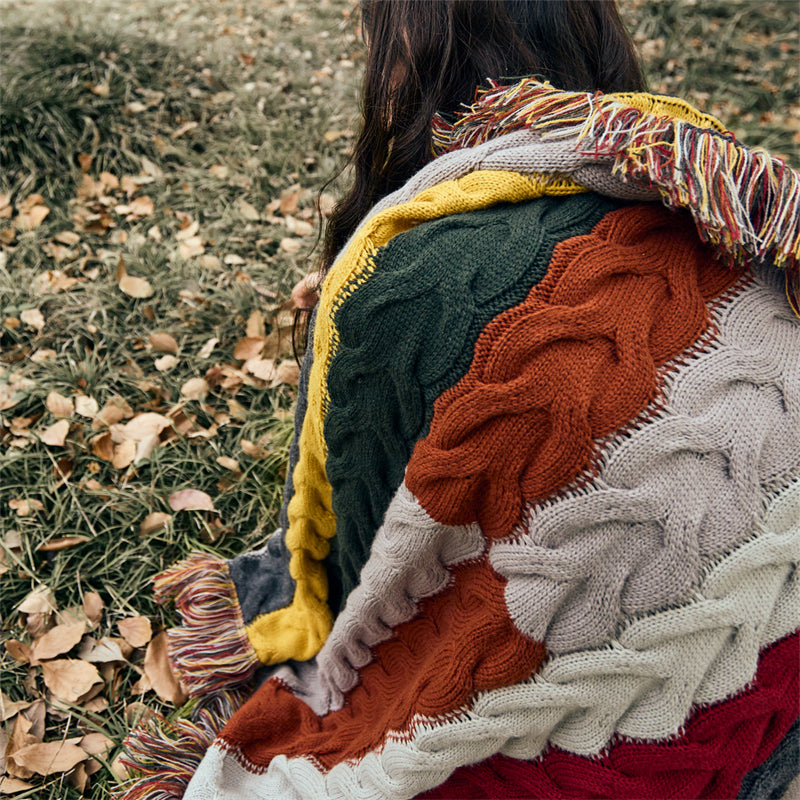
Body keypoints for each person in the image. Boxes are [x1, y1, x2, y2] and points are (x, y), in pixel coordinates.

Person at [120, 2, 800, 798]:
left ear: (409, 65)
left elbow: (365, 567)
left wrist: (365, 323)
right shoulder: (716, 195)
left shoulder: (411, 276)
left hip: (624, 737)